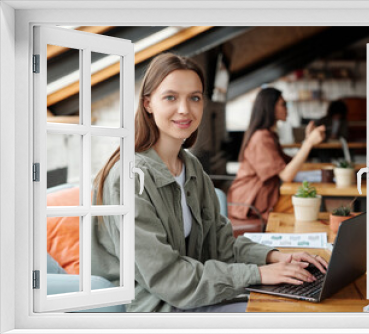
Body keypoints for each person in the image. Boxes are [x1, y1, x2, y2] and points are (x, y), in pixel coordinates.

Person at [90, 53, 328, 313]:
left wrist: (277, 257)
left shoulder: (191, 169)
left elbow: (221, 246)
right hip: (154, 309)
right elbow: (168, 277)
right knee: (281, 315)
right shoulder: (128, 179)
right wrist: (260, 274)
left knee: (301, 305)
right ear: (148, 104)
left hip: (197, 295)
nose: (185, 109)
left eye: (194, 97)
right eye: (170, 97)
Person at [227, 88, 325, 221]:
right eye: (283, 104)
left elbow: (291, 164)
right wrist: (308, 143)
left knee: (306, 203)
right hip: (250, 202)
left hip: (263, 195)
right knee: (304, 206)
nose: (287, 109)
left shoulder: (269, 135)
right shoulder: (261, 138)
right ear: (270, 107)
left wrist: (307, 141)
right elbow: (286, 175)